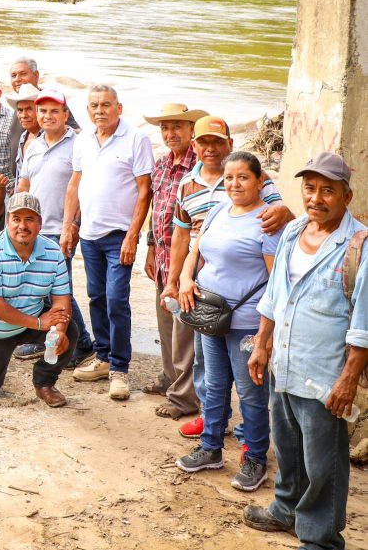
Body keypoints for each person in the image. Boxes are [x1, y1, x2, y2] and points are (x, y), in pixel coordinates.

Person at [242, 152, 368, 549]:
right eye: (310, 188)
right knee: (289, 447)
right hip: (284, 362)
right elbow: (274, 296)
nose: (316, 198)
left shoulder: (359, 246)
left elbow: (364, 325)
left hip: (325, 376)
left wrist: (348, 380)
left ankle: (319, 538)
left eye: (327, 190)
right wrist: (261, 345)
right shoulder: (295, 231)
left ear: (346, 197)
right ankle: (285, 509)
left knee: (323, 463)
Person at [163, 116, 292, 438]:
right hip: (206, 297)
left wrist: (268, 330)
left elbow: (280, 231)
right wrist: (180, 279)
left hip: (245, 310)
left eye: (217, 142)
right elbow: (185, 238)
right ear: (195, 145)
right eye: (204, 142)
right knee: (207, 370)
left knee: (249, 383)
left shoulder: (261, 198)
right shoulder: (194, 189)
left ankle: (252, 440)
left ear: (229, 144)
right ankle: (212, 427)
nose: (210, 148)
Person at [173, 152, 281, 493]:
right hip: (210, 314)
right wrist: (186, 279)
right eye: (229, 178)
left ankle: (255, 458)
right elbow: (196, 248)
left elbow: (275, 280)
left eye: (243, 178)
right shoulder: (219, 209)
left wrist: (266, 336)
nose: (234, 184)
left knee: (250, 392)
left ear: (260, 181)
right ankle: (211, 448)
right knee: (215, 385)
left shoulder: (266, 220)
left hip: (246, 322)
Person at [62, 85, 152, 400]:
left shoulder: (136, 138)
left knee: (116, 300)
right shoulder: (83, 139)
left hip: (119, 236)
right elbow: (75, 184)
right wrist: (69, 226)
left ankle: (120, 369)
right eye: (94, 106)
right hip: (89, 234)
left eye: (106, 105)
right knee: (96, 297)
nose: (99, 111)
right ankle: (102, 357)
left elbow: (145, 190)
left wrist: (132, 235)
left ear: (119, 107)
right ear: (87, 110)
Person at [0, 192, 78, 407]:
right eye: (16, 219)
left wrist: (59, 331)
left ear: (40, 224)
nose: (22, 226)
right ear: (7, 222)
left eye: (29, 219)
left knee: (70, 330)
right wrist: (39, 323)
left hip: (29, 317)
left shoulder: (53, 253)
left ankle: (45, 382)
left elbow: (62, 301)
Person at [138, 103, 208, 419]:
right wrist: (150, 249)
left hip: (187, 264)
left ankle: (185, 397)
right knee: (165, 323)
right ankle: (170, 377)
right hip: (163, 259)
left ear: (191, 130)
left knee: (185, 334)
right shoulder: (163, 164)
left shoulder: (199, 167)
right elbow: (158, 211)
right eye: (165, 128)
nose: (170, 133)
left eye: (177, 127)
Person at [15, 89, 94, 365]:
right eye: (43, 111)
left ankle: (82, 343)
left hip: (60, 230)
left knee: (60, 290)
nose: (47, 116)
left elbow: (83, 188)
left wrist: (71, 226)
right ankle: (51, 340)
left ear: (65, 114)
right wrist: (14, 226)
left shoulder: (79, 144)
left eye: (53, 111)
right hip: (33, 229)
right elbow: (23, 186)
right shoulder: (33, 144)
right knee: (40, 288)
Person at [8, 56, 80, 130]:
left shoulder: (50, 99)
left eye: (23, 74)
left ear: (36, 75)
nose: (17, 79)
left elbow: (76, 131)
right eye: (13, 76)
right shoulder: (16, 101)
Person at [6, 83, 42, 179]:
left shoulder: (50, 138)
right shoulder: (23, 138)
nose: (23, 115)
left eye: (29, 109)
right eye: (20, 110)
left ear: (40, 111)